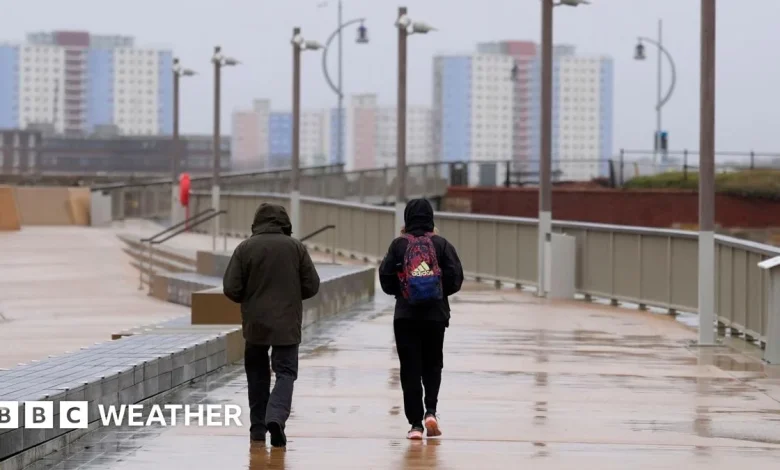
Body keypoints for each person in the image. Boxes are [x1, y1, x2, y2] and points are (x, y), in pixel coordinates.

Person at [223, 203, 320, 448]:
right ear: (284, 223)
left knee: (257, 374)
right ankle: (275, 417)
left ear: (257, 222)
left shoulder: (245, 248)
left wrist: (250, 298)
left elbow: (231, 288)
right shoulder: (296, 247)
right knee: (286, 373)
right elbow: (312, 285)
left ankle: (257, 430)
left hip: (255, 325)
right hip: (287, 324)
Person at [379, 198, 464, 440]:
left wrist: (404, 290)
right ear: (430, 218)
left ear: (406, 218)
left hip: (406, 315)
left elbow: (385, 280)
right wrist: (436, 291)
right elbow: (456, 278)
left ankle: (415, 425)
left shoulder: (398, 245)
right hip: (435, 315)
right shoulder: (441, 244)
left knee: (410, 368)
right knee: (432, 363)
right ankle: (431, 412)